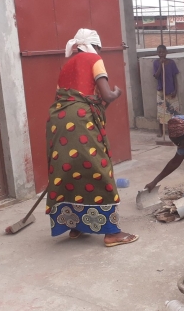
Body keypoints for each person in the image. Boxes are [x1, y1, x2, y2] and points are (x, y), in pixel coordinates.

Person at [46, 28, 138, 247]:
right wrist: (116, 93)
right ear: (94, 46)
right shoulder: (94, 59)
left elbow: (62, 95)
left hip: (57, 121)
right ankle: (111, 233)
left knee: (68, 171)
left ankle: (76, 226)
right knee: (99, 170)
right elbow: (106, 94)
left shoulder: (66, 64)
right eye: (99, 48)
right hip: (80, 121)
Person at [154, 45, 180, 137]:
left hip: (171, 90)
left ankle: (173, 130)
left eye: (163, 52)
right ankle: (161, 130)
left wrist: (175, 90)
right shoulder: (156, 63)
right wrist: (161, 66)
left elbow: (174, 77)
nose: (161, 54)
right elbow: (156, 76)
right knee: (161, 112)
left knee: (173, 112)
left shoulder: (172, 63)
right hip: (161, 91)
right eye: (159, 52)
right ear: (157, 54)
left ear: (166, 52)